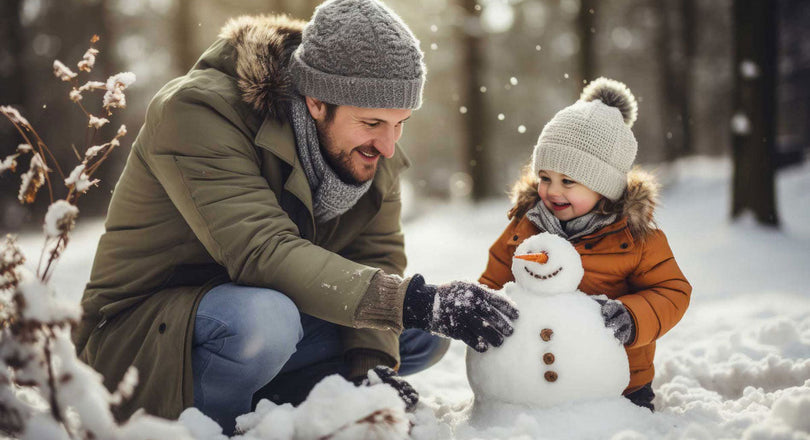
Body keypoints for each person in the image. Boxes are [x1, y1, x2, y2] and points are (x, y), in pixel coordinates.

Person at [72, 0, 518, 434]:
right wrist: (413, 301)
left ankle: (289, 397)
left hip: (261, 321)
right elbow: (263, 251)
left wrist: (371, 372)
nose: (387, 145)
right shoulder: (197, 113)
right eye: (373, 123)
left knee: (419, 334)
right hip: (144, 338)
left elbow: (374, 256)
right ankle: (210, 427)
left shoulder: (369, 149)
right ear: (316, 102)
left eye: (400, 123)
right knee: (271, 320)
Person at [479, 77, 691, 411]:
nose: (553, 191)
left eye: (568, 181)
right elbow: (493, 281)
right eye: (545, 178)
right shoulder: (525, 227)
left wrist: (634, 317)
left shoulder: (635, 239)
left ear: (604, 187)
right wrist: (485, 310)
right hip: (535, 377)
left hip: (620, 382)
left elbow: (672, 291)